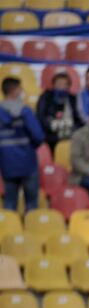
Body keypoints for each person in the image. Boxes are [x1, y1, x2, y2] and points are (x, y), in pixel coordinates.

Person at [0, 77, 44, 213]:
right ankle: (31, 231)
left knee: (9, 204)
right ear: (14, 90)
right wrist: (31, 147)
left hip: (7, 163)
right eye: (20, 89)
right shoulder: (25, 112)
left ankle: (8, 232)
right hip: (28, 162)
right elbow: (39, 136)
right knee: (31, 206)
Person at [36, 72, 83, 150]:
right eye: (59, 83)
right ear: (54, 85)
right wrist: (54, 126)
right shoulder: (46, 97)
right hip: (51, 134)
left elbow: (78, 118)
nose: (61, 86)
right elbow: (41, 117)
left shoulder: (73, 98)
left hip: (70, 133)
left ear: (69, 86)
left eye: (64, 84)